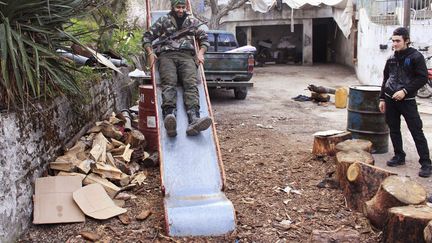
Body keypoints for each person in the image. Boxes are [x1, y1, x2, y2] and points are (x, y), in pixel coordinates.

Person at [142, 0, 211, 137]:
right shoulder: (164, 20)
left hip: (187, 56)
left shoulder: (192, 21)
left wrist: (201, 53)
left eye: (182, 7)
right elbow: (146, 37)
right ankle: (169, 117)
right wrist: (150, 53)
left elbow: (204, 39)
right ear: (173, 7)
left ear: (185, 8)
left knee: (191, 85)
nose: (180, 10)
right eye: (177, 7)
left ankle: (194, 120)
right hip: (167, 56)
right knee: (169, 84)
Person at [379, 27, 432, 177]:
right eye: (393, 41)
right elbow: (385, 79)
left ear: (406, 40)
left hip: (407, 100)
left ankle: (426, 164)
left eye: (398, 41)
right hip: (390, 100)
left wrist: (405, 91)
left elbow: (422, 77)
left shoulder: (416, 57)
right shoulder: (391, 58)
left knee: (416, 131)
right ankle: (399, 156)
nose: (394, 44)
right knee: (394, 128)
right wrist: (382, 98)